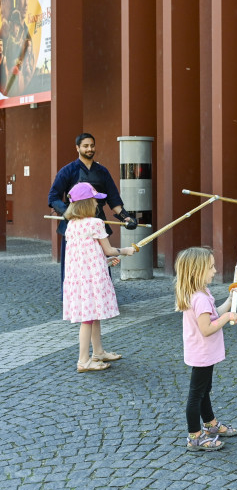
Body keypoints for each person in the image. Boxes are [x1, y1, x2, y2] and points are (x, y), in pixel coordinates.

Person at [48, 133, 138, 290]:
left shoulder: (102, 171)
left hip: (97, 222)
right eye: (85, 146)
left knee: (101, 263)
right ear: (77, 148)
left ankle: (100, 295)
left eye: (92, 145)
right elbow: (53, 197)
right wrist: (69, 214)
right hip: (73, 224)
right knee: (73, 267)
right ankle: (73, 297)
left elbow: (113, 199)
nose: (89, 149)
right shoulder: (67, 171)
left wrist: (126, 217)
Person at [62, 183, 136, 373]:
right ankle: (83, 361)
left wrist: (106, 260)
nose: (97, 203)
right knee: (87, 320)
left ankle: (98, 352)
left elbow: (85, 253)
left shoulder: (71, 225)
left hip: (79, 278)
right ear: (86, 203)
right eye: (94, 200)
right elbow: (109, 249)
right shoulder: (95, 223)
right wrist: (125, 251)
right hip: (91, 279)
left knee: (92, 315)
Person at [174, 247, 237, 452]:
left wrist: (230, 300)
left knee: (204, 390)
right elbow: (206, 328)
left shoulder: (200, 293)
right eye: (211, 267)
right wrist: (228, 317)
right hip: (202, 353)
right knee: (197, 395)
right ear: (197, 271)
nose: (215, 271)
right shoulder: (200, 298)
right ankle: (194, 437)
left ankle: (210, 423)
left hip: (202, 352)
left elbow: (213, 315)